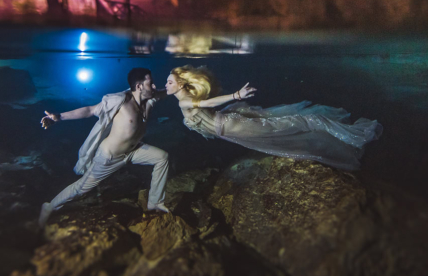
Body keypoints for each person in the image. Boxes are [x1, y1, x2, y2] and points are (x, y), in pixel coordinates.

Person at [165, 65, 382, 171]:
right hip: (228, 126)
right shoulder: (183, 96)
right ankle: (338, 134)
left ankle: (354, 136)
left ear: (181, 85)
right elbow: (157, 92)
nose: (166, 85)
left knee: (286, 125)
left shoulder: (185, 102)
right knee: (283, 124)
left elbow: (207, 103)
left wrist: (236, 95)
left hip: (232, 125)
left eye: (169, 82)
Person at [38, 68, 169, 228]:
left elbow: (166, 91)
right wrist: (59, 117)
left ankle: (154, 203)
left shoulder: (149, 99)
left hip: (133, 151)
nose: (155, 86)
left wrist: (185, 83)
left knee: (162, 158)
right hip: (109, 157)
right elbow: (90, 110)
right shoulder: (120, 101)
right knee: (81, 189)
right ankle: (49, 207)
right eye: (151, 83)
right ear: (139, 86)